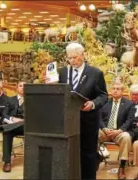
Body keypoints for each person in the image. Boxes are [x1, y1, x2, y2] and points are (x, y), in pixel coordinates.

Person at [55, 42, 108, 179]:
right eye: (69, 58)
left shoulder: (95, 73)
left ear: (82, 55)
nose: (72, 61)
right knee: (69, 153)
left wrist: (93, 103)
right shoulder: (63, 72)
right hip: (68, 121)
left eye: (75, 57)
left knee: (88, 154)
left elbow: (103, 95)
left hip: (88, 120)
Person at [0, 81, 25, 172]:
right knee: (7, 132)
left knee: (23, 123)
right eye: (20, 86)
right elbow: (4, 114)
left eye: (25, 86)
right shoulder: (10, 100)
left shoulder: (32, 99)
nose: (23, 87)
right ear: (16, 88)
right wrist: (12, 118)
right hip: (12, 126)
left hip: (26, 127)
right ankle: (7, 162)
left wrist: (22, 120)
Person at [99, 81, 133, 179]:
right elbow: (99, 118)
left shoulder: (129, 104)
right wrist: (104, 128)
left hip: (119, 132)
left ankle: (122, 166)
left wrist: (120, 130)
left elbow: (130, 120)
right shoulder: (104, 102)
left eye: (118, 89)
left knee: (126, 137)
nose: (115, 91)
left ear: (122, 91)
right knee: (94, 134)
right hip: (105, 131)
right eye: (113, 88)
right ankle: (95, 159)